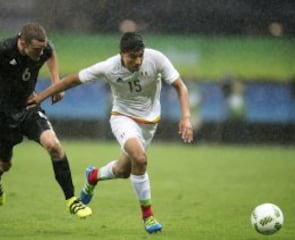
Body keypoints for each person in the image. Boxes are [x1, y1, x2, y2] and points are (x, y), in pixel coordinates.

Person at [27, 32, 194, 233]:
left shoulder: (156, 59)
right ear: (121, 54)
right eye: (133, 57)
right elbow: (72, 80)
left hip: (149, 124)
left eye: (140, 55)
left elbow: (180, 87)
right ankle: (148, 217)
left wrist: (186, 116)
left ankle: (93, 177)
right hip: (123, 119)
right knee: (140, 159)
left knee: (124, 171)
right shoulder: (109, 67)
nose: (138, 61)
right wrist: (41, 97)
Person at [0, 22, 92, 218]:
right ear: (23, 43)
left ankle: (72, 200)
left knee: (54, 145)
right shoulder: (3, 49)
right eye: (36, 50)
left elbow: (51, 53)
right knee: (4, 164)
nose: (40, 54)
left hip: (28, 107)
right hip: (1, 116)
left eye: (42, 48)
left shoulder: (43, 48)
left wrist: (56, 83)